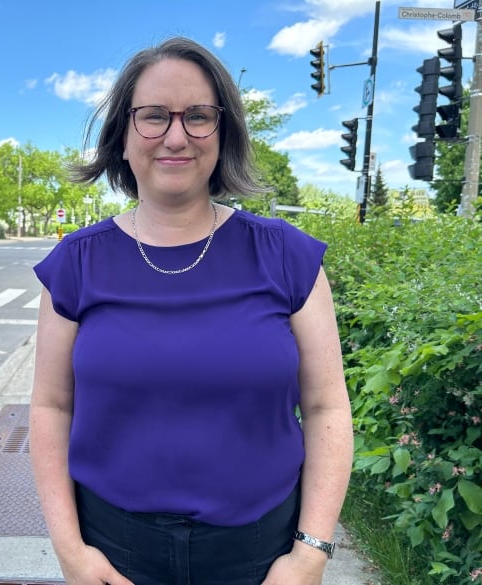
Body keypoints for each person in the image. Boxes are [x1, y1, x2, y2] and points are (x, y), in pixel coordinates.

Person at [29, 36, 353, 585]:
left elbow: (326, 408)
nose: (176, 136)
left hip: (259, 554)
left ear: (222, 133)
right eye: (153, 115)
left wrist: (310, 554)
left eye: (198, 116)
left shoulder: (286, 257)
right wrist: (70, 551)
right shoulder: (75, 264)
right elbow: (51, 408)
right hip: (114, 551)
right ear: (123, 137)